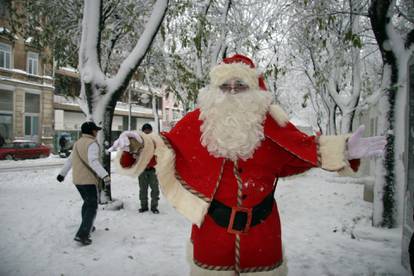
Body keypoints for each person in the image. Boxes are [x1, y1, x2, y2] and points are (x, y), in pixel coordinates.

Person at [110, 54, 386, 275]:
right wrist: (136, 144)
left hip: (262, 233)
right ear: (214, 90)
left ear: (254, 89)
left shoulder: (273, 126)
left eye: (240, 86)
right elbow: (162, 148)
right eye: (224, 86)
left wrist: (344, 149)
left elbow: (303, 151)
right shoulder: (196, 123)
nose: (232, 92)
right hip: (212, 233)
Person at [56, 121, 111, 245]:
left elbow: (70, 160)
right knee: (92, 205)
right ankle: (83, 234)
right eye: (96, 130)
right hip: (88, 180)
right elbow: (93, 162)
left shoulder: (77, 143)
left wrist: (62, 174)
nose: (97, 132)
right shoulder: (92, 143)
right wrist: (105, 176)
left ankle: (88, 225)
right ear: (92, 131)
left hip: (78, 180)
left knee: (87, 203)